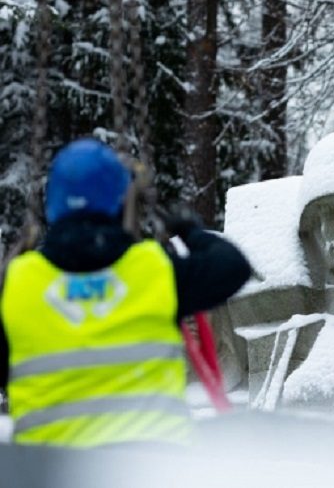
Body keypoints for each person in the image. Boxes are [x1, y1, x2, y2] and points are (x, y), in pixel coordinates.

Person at [0, 138, 251, 448]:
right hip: (150, 466)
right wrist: (190, 231)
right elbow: (233, 267)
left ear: (52, 204)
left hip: (47, 471)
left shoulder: (18, 283)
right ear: (121, 202)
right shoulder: (153, 270)